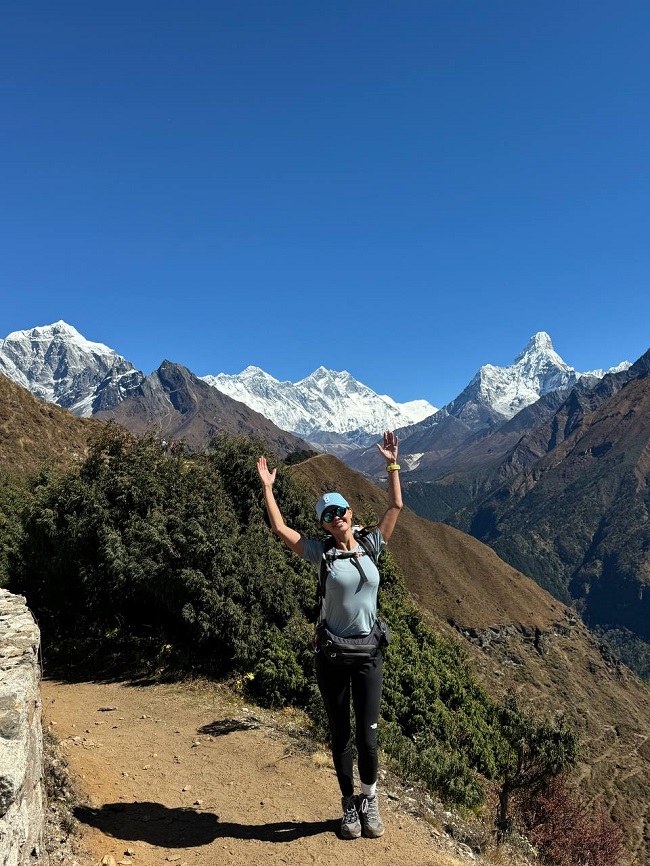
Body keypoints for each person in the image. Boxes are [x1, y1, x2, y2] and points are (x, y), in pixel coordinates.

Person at [256, 431, 403, 839]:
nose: (336, 516)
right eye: (328, 514)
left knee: (368, 739)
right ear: (322, 522)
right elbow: (280, 528)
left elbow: (395, 505)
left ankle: (370, 798)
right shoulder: (321, 553)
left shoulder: (372, 545)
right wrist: (269, 489)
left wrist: (392, 463)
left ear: (351, 512)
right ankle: (348, 805)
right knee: (341, 735)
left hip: (370, 653)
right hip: (334, 656)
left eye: (341, 510)